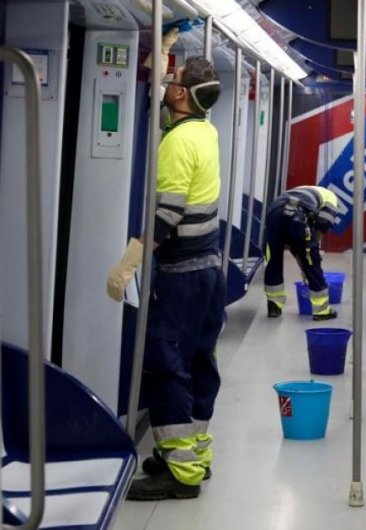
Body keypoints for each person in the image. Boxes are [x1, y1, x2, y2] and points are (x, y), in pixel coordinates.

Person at [106, 56, 224, 501]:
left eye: (170, 82)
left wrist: (129, 262)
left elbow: (167, 213)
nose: (165, 87)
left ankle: (180, 475)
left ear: (179, 95)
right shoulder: (205, 130)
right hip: (209, 270)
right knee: (198, 361)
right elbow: (172, 116)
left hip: (181, 277)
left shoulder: (177, 143)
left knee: (165, 364)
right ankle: (193, 454)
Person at [263, 185, 341, 320]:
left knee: (273, 261)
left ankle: (274, 306)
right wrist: (309, 255)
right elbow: (322, 225)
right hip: (299, 215)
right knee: (312, 260)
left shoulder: (302, 190)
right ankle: (322, 311)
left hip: (274, 213)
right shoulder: (332, 199)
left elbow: (292, 242)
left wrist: (301, 257)